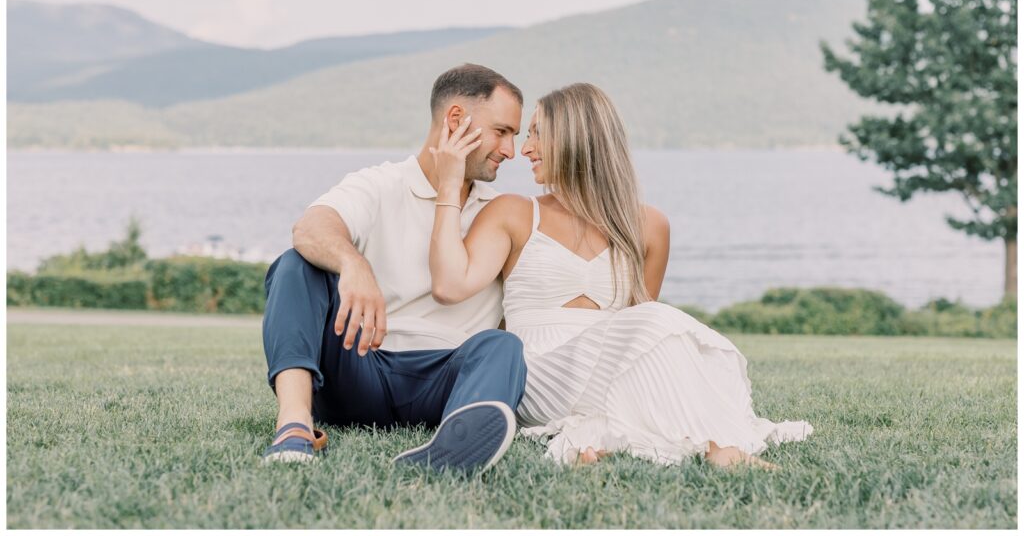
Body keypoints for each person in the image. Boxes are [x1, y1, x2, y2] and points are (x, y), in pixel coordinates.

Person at [428, 82, 813, 468]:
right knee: (655, 320)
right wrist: (449, 182)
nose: (525, 149)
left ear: (576, 139)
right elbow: (449, 284)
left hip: (612, 367)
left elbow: (643, 337)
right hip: (539, 373)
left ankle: (707, 446)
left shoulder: (648, 225)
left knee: (655, 326)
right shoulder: (513, 213)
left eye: (536, 134)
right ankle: (714, 447)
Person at [260, 63, 528, 473]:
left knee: (502, 346)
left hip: (448, 380)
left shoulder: (501, 213)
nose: (511, 150)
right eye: (502, 131)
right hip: (363, 366)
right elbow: (310, 228)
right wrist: (354, 263)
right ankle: (294, 426)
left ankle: (458, 445)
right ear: (456, 119)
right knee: (295, 265)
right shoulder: (380, 184)